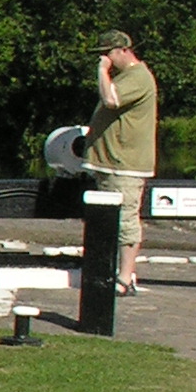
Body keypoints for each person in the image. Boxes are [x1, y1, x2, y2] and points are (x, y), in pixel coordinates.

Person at [83, 30, 159, 292]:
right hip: (109, 163)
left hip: (125, 165)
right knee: (110, 221)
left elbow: (110, 99)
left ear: (122, 50)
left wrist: (102, 72)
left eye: (107, 54)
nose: (104, 60)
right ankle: (114, 269)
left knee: (126, 220)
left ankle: (126, 277)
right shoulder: (126, 77)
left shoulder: (138, 77)